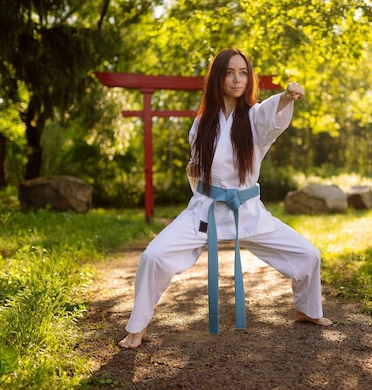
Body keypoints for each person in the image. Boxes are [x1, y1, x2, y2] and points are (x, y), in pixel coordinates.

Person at [119, 48, 332, 349]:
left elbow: (273, 117)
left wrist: (286, 97)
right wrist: (197, 178)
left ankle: (307, 311)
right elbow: (195, 171)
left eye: (243, 73)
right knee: (153, 256)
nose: (237, 79)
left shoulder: (255, 118)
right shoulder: (202, 122)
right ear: (218, 77)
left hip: (246, 211)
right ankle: (137, 327)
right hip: (206, 211)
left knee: (309, 255)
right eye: (230, 73)